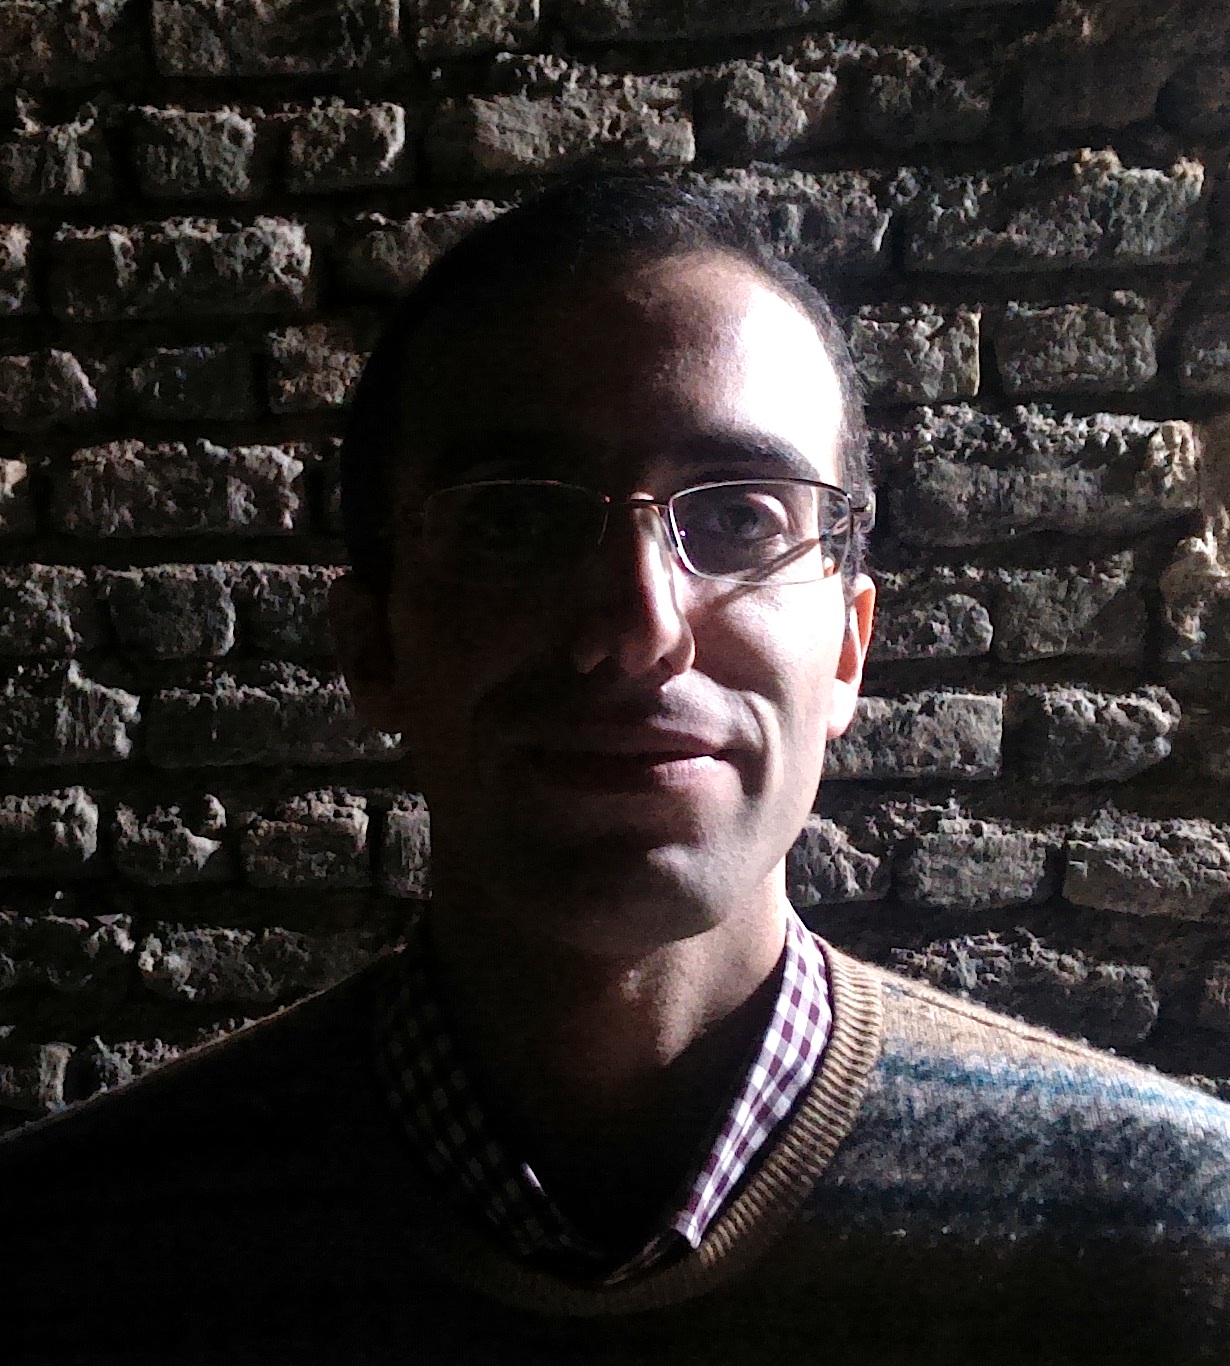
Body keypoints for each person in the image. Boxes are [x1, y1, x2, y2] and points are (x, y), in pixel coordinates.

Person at [3, 174, 1229, 1364]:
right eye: (516, 521)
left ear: (849, 649)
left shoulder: (1176, 1249)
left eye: (740, 518)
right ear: (373, 645)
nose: (640, 629)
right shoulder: (68, 1254)